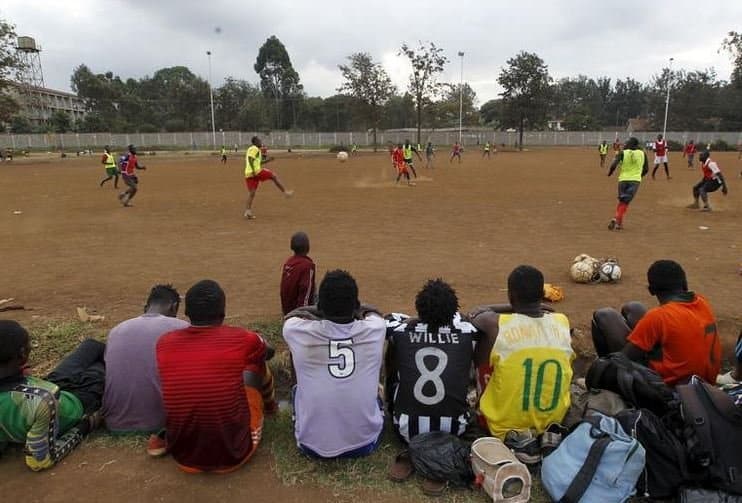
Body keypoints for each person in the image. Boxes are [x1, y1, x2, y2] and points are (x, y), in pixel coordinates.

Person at [156, 280, 277, 473]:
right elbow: (269, 352)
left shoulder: (164, 342)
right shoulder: (244, 338)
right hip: (233, 455)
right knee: (256, 362)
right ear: (223, 313)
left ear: (186, 313)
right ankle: (271, 409)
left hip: (182, 454)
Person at [283, 270, 386, 459]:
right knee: (377, 390)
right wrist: (356, 308)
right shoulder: (376, 328)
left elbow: (293, 316)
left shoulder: (295, 330)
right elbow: (374, 312)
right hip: (365, 443)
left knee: (298, 385)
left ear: (320, 306)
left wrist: (319, 308)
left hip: (310, 445)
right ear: (355, 305)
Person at [469, 266, 574, 441]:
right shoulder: (561, 321)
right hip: (553, 424)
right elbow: (552, 311)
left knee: (484, 338)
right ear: (542, 295)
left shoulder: (496, 324)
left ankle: (482, 397)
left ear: (511, 296)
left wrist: (508, 306)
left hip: (500, 428)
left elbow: (475, 312)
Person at [591, 260, 721, 386]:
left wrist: (606, 366)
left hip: (672, 391)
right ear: (685, 284)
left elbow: (625, 357)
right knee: (633, 307)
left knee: (604, 315)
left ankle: (606, 382)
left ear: (651, 290)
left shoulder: (659, 316)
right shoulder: (702, 302)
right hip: (706, 383)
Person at [0, 321, 105, 471]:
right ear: (23, 353)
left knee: (91, 345)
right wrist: (87, 425)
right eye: (29, 344)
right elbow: (40, 461)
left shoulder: (33, 397)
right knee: (101, 366)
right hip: (79, 402)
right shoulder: (40, 402)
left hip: (47, 387)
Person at [385, 279, 478, 443]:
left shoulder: (400, 331)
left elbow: (388, 319)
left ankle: (390, 402)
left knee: (395, 351)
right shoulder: (467, 332)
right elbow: (464, 319)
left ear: (419, 309)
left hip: (406, 431)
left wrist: (415, 320)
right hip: (456, 429)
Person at [102, 284, 188, 434]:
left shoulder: (117, 330)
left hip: (115, 423)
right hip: (160, 422)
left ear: (145, 306)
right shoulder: (182, 328)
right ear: (174, 307)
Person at [244, 136, 293, 220]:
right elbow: (250, 159)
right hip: (256, 172)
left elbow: (258, 162)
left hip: (248, 174)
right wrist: (253, 171)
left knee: (252, 193)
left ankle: (247, 212)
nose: (261, 142)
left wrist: (268, 160)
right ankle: (286, 192)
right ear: (255, 142)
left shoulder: (253, 150)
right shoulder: (254, 148)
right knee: (273, 176)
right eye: (259, 141)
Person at [607, 136, 648, 231]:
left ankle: (619, 224)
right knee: (625, 202)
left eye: (627, 143)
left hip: (622, 180)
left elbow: (614, 164)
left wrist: (610, 172)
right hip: (634, 181)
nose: (625, 144)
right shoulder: (642, 153)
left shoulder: (623, 153)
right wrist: (638, 176)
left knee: (622, 201)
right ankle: (615, 218)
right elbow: (646, 169)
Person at [280, 231, 316, 316]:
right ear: (308, 247)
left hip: (287, 309)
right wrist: (301, 315)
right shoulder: (308, 266)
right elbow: (306, 290)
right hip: (298, 312)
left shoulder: (288, 262)